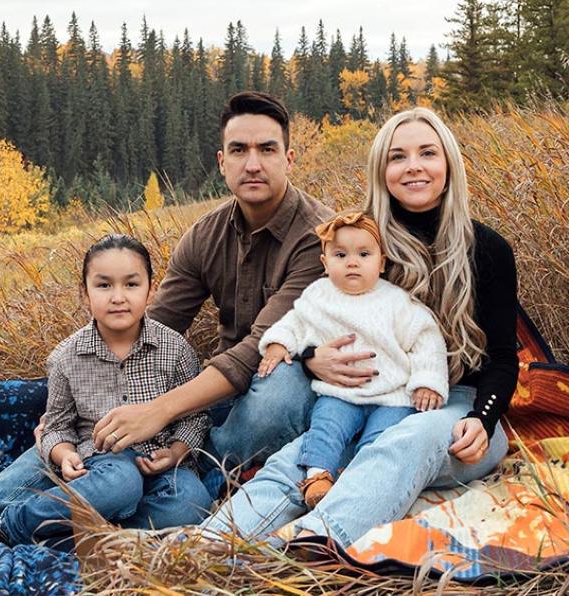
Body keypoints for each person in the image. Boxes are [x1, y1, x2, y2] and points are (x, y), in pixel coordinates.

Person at [203, 106, 519, 548]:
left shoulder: (486, 248)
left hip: (451, 404)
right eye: (397, 156)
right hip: (363, 396)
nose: (413, 167)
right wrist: (312, 360)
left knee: (403, 442)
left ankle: (312, 548)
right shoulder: (359, 245)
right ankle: (199, 551)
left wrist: (482, 419)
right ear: (381, 169)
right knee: (301, 458)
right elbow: (316, 319)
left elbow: (504, 357)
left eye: (427, 153)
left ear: (448, 162)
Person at [90, 91, 335, 495]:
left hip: (285, 379)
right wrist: (87, 391)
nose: (252, 164)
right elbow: (152, 330)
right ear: (222, 162)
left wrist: (159, 412)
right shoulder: (206, 234)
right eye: (238, 150)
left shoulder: (320, 238)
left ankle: (203, 470)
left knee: (280, 395)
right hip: (220, 388)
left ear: (289, 160)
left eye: (267, 150)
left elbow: (257, 348)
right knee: (86, 409)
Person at [0, 234, 213, 543]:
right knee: (121, 482)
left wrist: (176, 452)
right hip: (100, 468)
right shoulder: (66, 357)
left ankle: (72, 535)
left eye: (131, 284)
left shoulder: (175, 348)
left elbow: (195, 417)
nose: (118, 297)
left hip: (160, 469)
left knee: (191, 503)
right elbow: (56, 426)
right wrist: (63, 454)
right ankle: (11, 524)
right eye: (104, 285)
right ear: (84, 294)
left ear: (151, 291)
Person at [256, 211, 448, 508]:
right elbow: (294, 322)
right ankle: (318, 476)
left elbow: (426, 339)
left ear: (382, 262)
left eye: (364, 254)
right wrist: (278, 344)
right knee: (325, 428)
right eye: (341, 254)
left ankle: (359, 480)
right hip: (340, 394)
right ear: (325, 262)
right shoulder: (318, 296)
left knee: (383, 439)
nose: (352, 262)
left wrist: (427, 382)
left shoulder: (397, 302)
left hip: (392, 396)